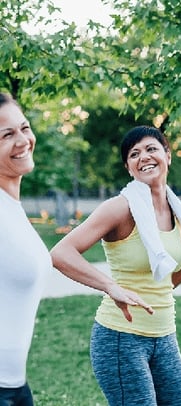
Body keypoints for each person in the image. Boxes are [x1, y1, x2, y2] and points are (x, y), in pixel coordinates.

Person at [50, 125, 181, 406]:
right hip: (120, 338)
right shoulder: (120, 208)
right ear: (129, 168)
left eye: (151, 149)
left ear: (168, 155)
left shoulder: (180, 213)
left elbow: (163, 284)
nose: (144, 157)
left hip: (164, 336)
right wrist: (109, 286)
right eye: (134, 154)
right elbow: (61, 253)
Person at [0, 93, 52, 406]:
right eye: (6, 135)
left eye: (24, 128)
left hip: (16, 387)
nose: (22, 141)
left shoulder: (12, 207)